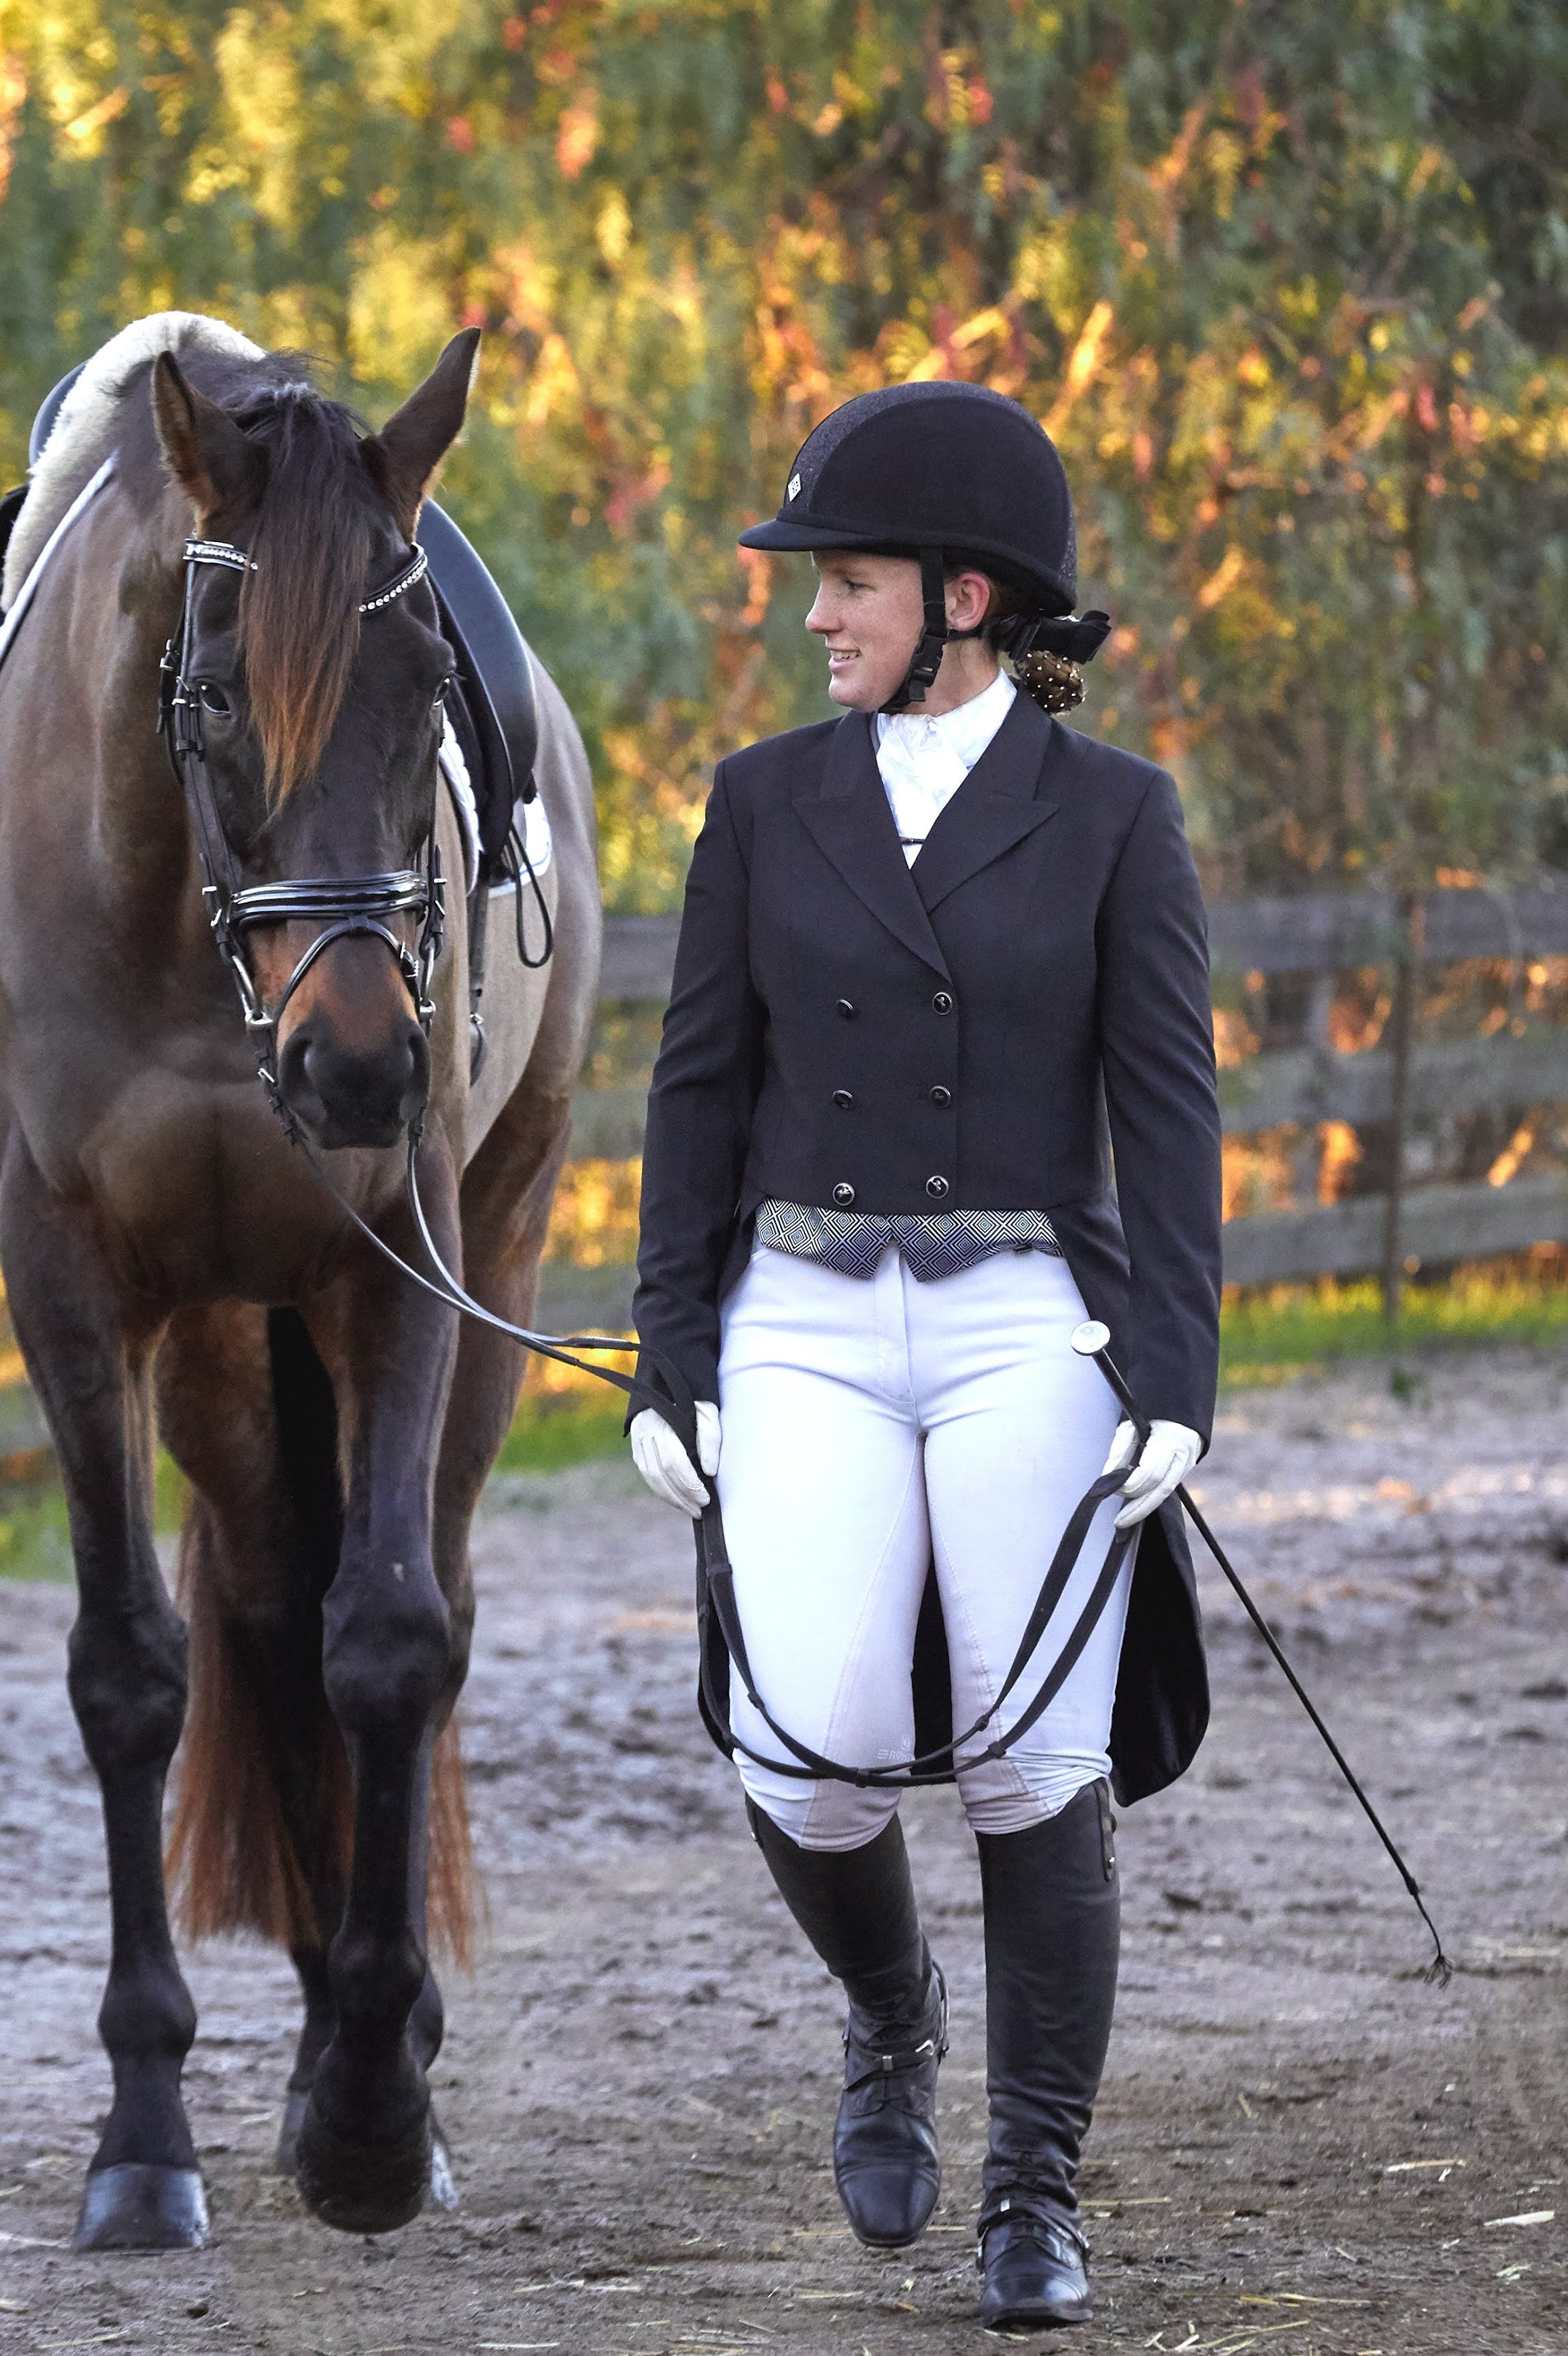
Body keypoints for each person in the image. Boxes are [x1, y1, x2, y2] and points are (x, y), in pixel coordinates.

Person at [626, 380, 1223, 2329]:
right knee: (803, 1750)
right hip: (797, 1311)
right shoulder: (759, 801)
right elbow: (697, 1086)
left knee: (1031, 1763)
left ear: (967, 599)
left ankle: (1030, 2192)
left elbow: (1169, 1111)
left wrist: (1170, 1376)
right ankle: (891, 2013)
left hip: (1019, 1322)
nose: (815, 614)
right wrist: (669, 1355)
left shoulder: (1115, 818)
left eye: (850, 581)